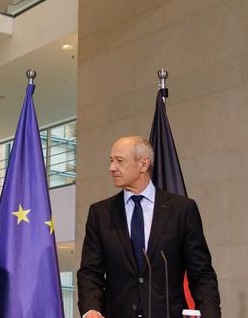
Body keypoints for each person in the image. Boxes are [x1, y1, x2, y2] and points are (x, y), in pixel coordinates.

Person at [77, 136, 221, 318]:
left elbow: (201, 274)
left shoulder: (182, 209)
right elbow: (90, 272)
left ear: (143, 164)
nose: (112, 168)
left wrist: (210, 314)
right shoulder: (100, 213)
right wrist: (91, 309)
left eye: (119, 161)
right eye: (111, 161)